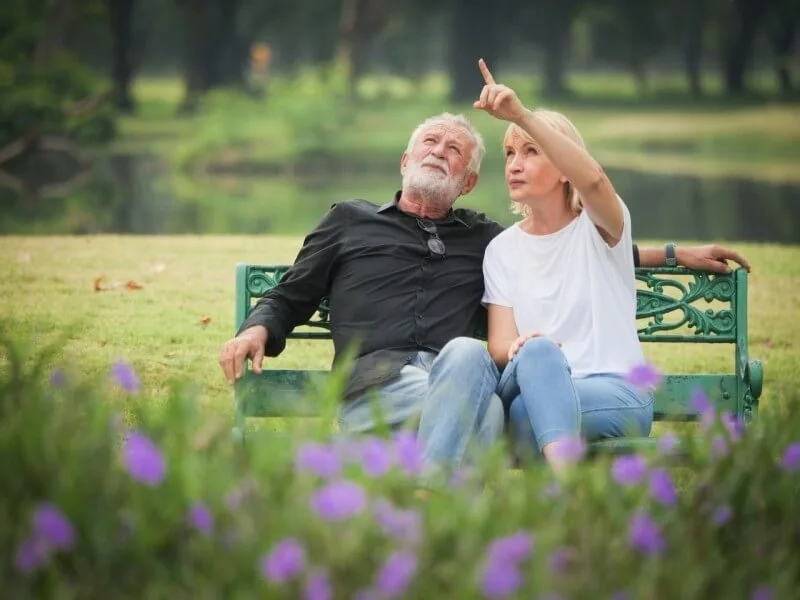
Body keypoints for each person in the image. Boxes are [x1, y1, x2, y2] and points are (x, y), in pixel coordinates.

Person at [217, 99, 750, 475]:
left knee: (478, 378)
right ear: (405, 161)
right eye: (429, 142)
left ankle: (435, 507)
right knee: (487, 410)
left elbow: (576, 246)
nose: (438, 151)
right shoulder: (349, 221)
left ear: (468, 182)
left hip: (463, 378)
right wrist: (256, 330)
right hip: (379, 388)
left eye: (454, 149)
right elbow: (290, 293)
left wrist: (671, 254)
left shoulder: (486, 241)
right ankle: (455, 503)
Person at [470, 59, 712, 470]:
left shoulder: (602, 229)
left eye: (531, 151)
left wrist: (521, 116)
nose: (514, 164)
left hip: (616, 392)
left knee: (532, 414)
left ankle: (566, 495)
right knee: (534, 378)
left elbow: (595, 181)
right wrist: (524, 349)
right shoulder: (501, 250)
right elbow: (499, 345)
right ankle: (571, 494)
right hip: (533, 390)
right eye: (509, 153)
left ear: (565, 169)